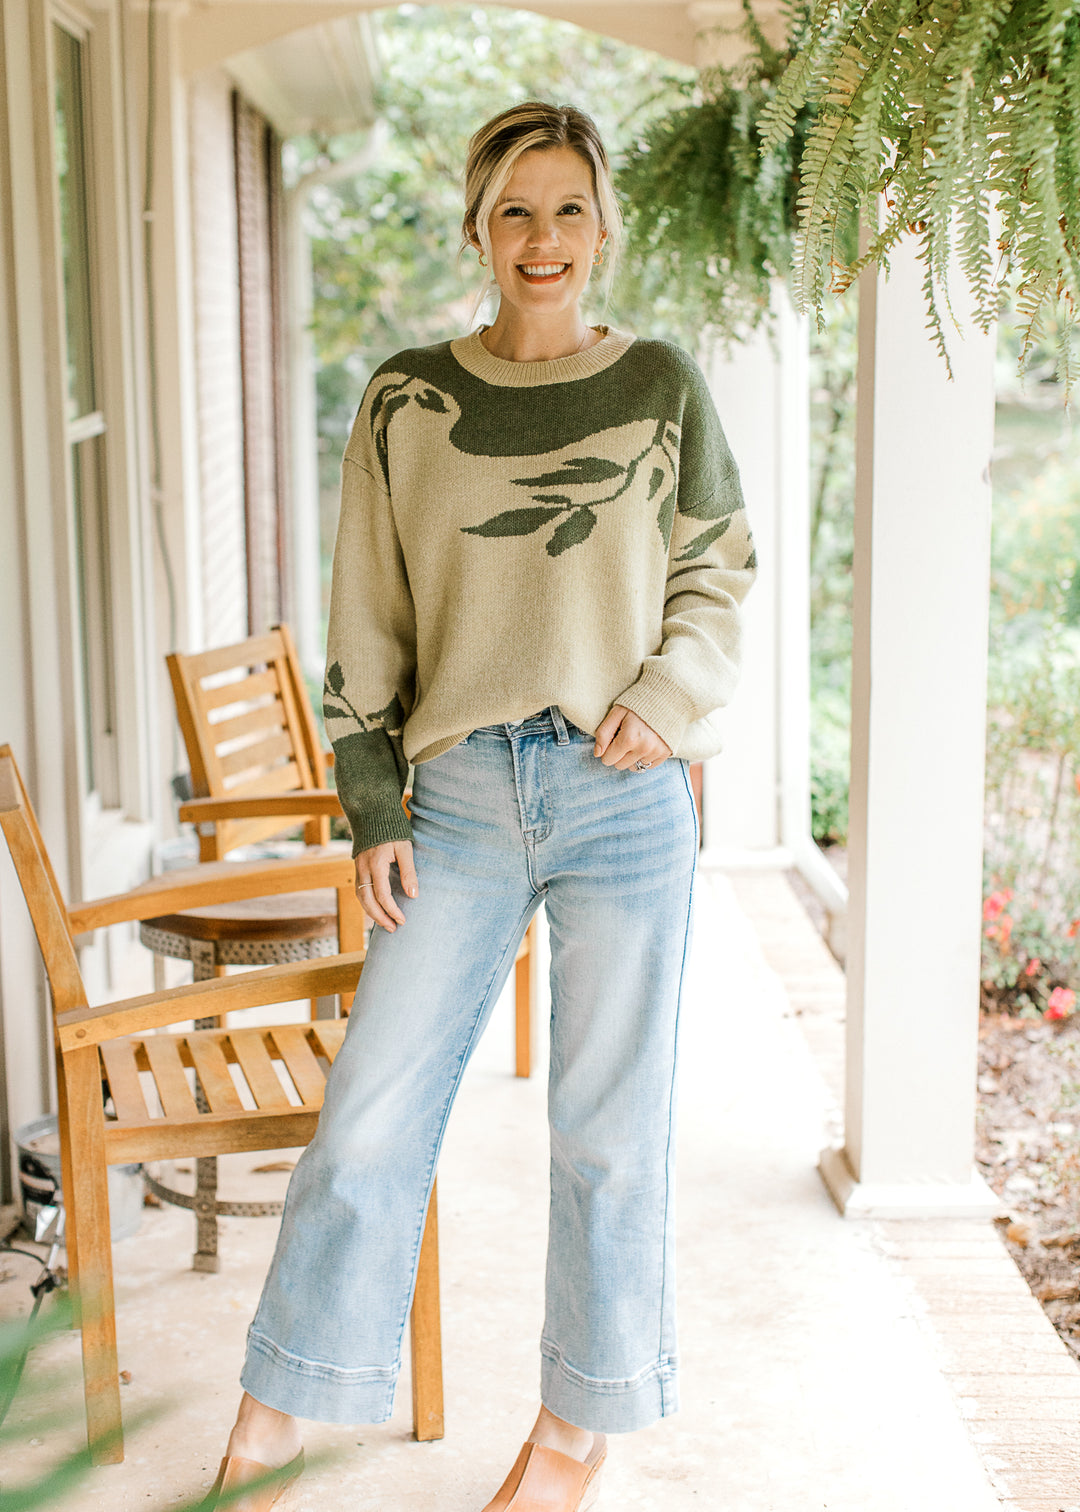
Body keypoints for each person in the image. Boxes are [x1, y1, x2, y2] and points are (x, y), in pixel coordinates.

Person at [204, 100, 756, 1512]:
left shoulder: (663, 389)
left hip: (622, 792)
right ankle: (274, 1423)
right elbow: (365, 618)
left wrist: (670, 697)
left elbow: (718, 574)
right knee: (372, 1115)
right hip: (451, 797)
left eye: (569, 209)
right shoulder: (404, 399)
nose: (544, 239)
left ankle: (576, 1440)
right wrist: (374, 804)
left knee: (607, 1133)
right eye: (517, 210)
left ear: (604, 225)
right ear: (478, 227)